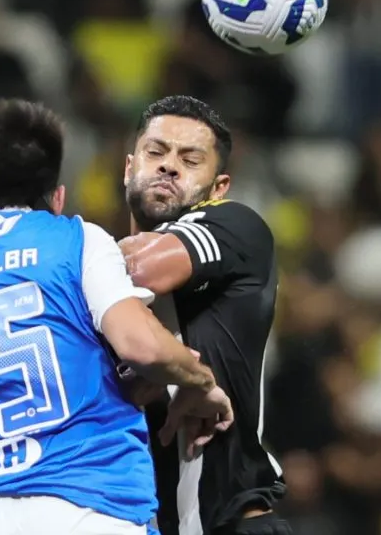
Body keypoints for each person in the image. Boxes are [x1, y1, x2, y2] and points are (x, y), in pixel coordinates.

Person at [0, 99, 234, 535]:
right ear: (58, 198)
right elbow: (141, 346)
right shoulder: (74, 240)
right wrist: (201, 380)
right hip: (85, 512)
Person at [116, 95, 289, 535]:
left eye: (190, 160)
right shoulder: (105, 296)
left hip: (236, 523)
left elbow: (145, 267)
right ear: (128, 168)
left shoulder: (236, 226)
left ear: (218, 188)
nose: (169, 166)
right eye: (156, 152)